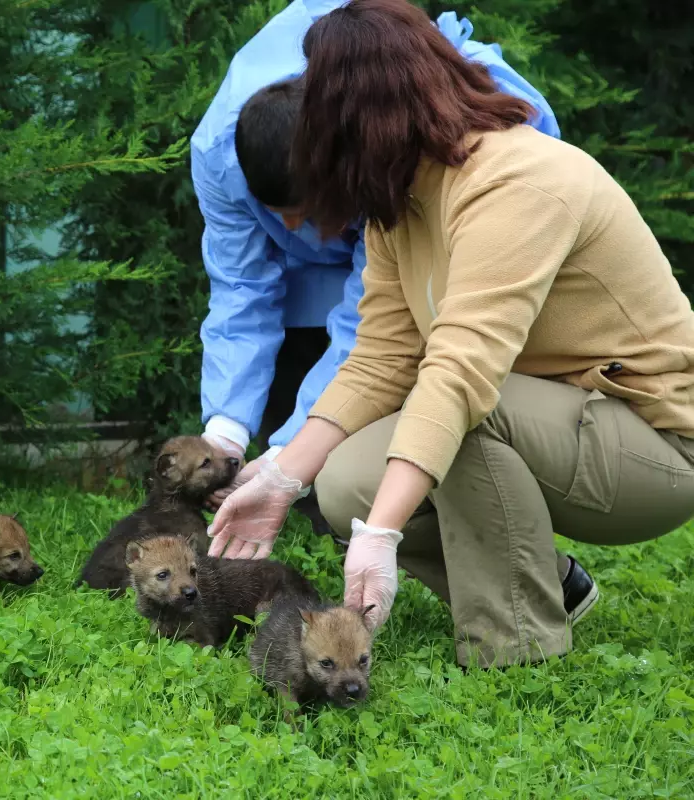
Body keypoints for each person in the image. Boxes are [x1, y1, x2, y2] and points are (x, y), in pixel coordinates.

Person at [207, 0, 694, 669]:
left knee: (457, 416)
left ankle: (516, 650)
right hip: (552, 417)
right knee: (346, 478)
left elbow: (460, 373)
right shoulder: (399, 196)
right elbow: (381, 356)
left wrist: (380, 534)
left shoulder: (518, 181)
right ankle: (550, 583)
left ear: (367, 111)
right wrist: (285, 477)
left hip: (658, 444)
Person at [192, 0, 557, 515]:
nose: (300, 234)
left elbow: (375, 330)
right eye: (279, 217)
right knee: (317, 478)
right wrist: (226, 434)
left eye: (309, 215)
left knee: (390, 427)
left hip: (440, 230)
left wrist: (291, 454)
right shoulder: (216, 156)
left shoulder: (390, 143)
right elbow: (240, 290)